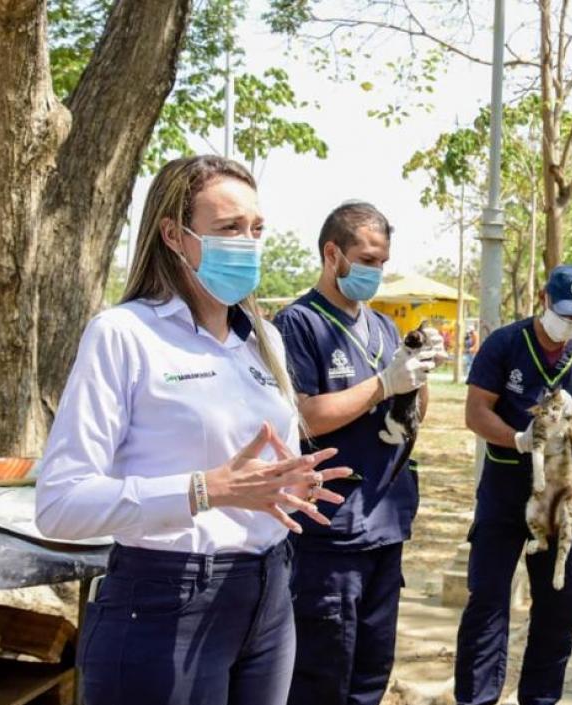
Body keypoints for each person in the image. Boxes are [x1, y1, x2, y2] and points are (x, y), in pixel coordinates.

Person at [35, 155, 352, 705]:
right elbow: (61, 504)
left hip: (269, 594)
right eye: (229, 228)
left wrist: (282, 483)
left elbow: (246, 467)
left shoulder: (264, 342)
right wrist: (205, 490)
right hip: (165, 604)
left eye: (256, 229)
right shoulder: (124, 334)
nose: (248, 244)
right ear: (173, 235)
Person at [273, 201, 444, 705]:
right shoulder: (298, 324)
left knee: (372, 672)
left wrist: (418, 373)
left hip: (384, 524)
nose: (376, 271)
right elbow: (302, 416)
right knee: (322, 674)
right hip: (330, 534)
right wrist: (382, 384)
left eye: (382, 262)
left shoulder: (384, 327)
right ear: (333, 254)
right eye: (367, 260)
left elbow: (414, 415)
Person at [453, 265, 572, 705]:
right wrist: (517, 438)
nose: (568, 325)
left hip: (561, 504)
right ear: (543, 299)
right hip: (504, 495)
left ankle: (540, 698)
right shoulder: (505, 343)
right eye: (562, 313)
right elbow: (476, 411)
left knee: (558, 607)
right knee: (487, 601)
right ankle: (476, 699)